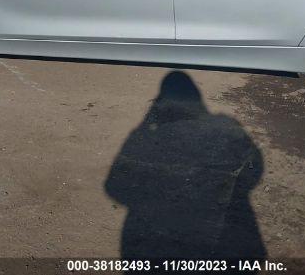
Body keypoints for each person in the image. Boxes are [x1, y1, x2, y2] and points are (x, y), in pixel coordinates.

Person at [105, 71, 266, 260]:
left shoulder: (147, 135)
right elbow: (253, 161)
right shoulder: (223, 126)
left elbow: (113, 187)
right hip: (215, 234)